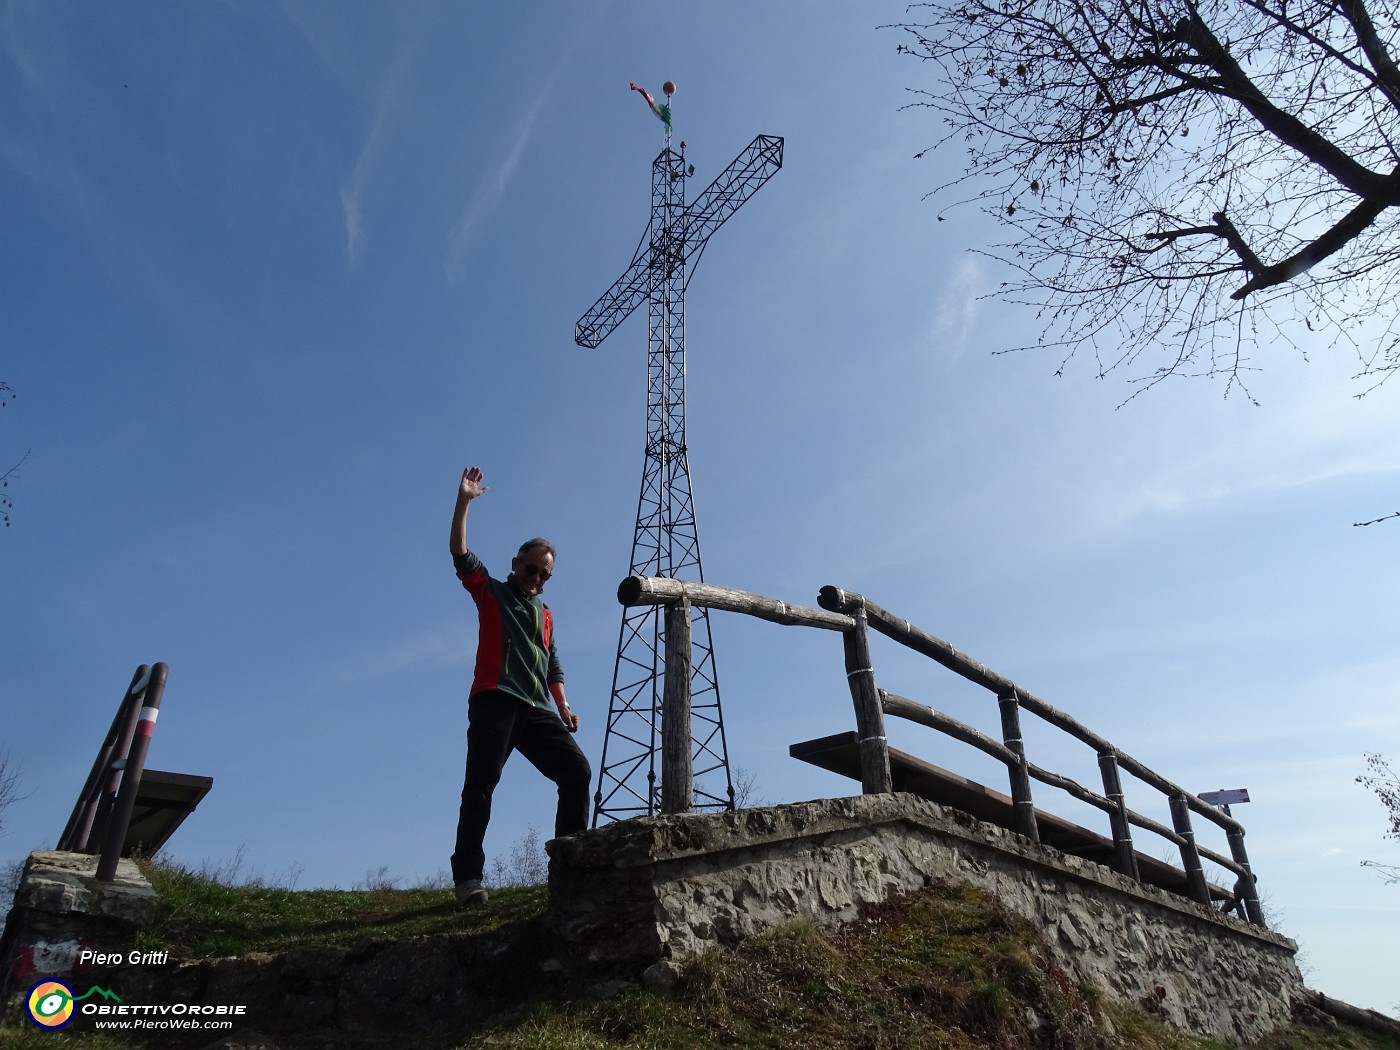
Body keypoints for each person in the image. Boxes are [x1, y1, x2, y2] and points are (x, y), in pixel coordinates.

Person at [448, 465, 592, 905]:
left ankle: (570, 870)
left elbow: (553, 663)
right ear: (516, 565)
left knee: (577, 772)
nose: (538, 578)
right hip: (495, 700)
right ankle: (468, 879)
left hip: (536, 709)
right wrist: (464, 502)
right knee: (481, 786)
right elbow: (459, 554)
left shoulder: (545, 615)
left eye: (545, 574)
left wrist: (563, 705)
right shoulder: (491, 591)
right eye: (532, 569)